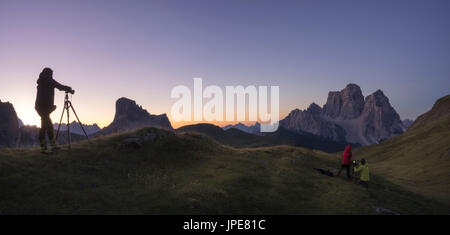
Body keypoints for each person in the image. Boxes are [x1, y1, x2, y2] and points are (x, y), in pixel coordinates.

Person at [35, 67, 74, 153]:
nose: (52, 75)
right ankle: (44, 148)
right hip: (43, 107)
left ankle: (51, 146)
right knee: (46, 126)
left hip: (41, 107)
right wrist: (69, 89)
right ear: (48, 73)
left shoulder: (42, 81)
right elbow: (59, 87)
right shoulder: (48, 79)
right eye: (51, 74)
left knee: (47, 126)